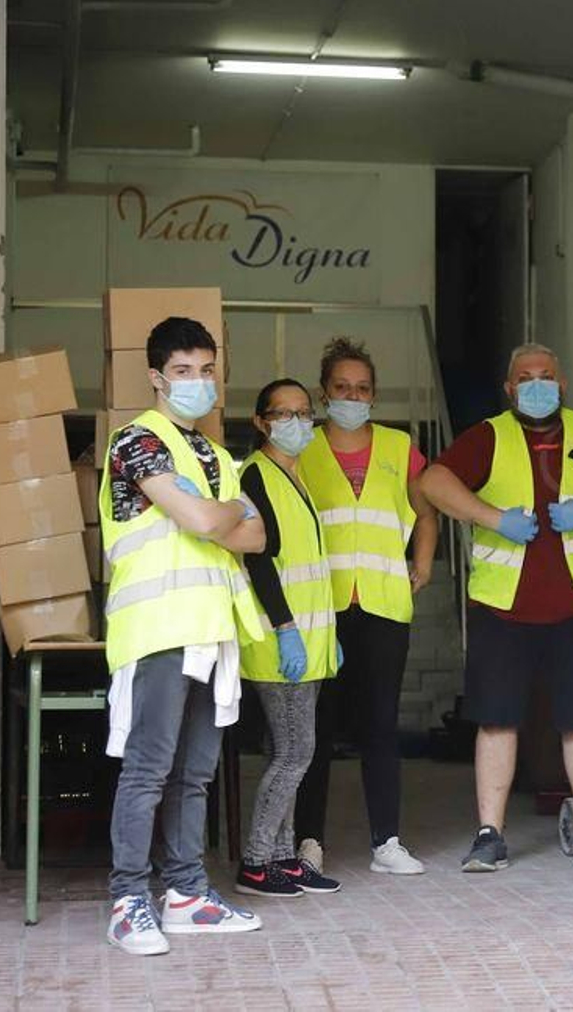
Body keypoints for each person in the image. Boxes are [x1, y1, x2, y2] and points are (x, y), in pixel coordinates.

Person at [419, 342, 573, 872]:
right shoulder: (489, 436)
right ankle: (489, 834)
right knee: (496, 720)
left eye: (545, 375)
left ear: (562, 382)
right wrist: (489, 516)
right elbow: (433, 481)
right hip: (501, 606)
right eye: (524, 377)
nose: (536, 384)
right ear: (509, 389)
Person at [100, 317, 266, 955]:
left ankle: (186, 894)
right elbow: (208, 519)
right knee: (148, 769)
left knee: (194, 774)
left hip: (210, 628)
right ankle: (128, 900)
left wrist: (214, 516)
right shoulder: (136, 442)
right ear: (156, 377)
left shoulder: (216, 455)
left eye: (206, 370)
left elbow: (254, 537)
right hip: (158, 628)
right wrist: (221, 513)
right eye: (183, 372)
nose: (198, 383)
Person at [293, 338, 438, 877]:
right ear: (323, 392)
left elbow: (427, 515)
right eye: (341, 387)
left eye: (362, 388)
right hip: (320, 605)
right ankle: (309, 841)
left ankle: (387, 842)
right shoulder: (301, 448)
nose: (352, 395)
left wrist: (421, 566)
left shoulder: (401, 449)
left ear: (374, 395)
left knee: (380, 725)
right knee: (318, 729)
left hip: (381, 604)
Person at [234, 379, 343, 898]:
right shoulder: (255, 474)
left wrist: (327, 634)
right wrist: (285, 629)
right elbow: (259, 561)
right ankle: (256, 862)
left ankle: (282, 859)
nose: (298, 423)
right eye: (284, 414)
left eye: (305, 414)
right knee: (296, 752)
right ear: (261, 422)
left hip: (309, 639)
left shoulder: (294, 477)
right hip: (281, 640)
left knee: (292, 750)